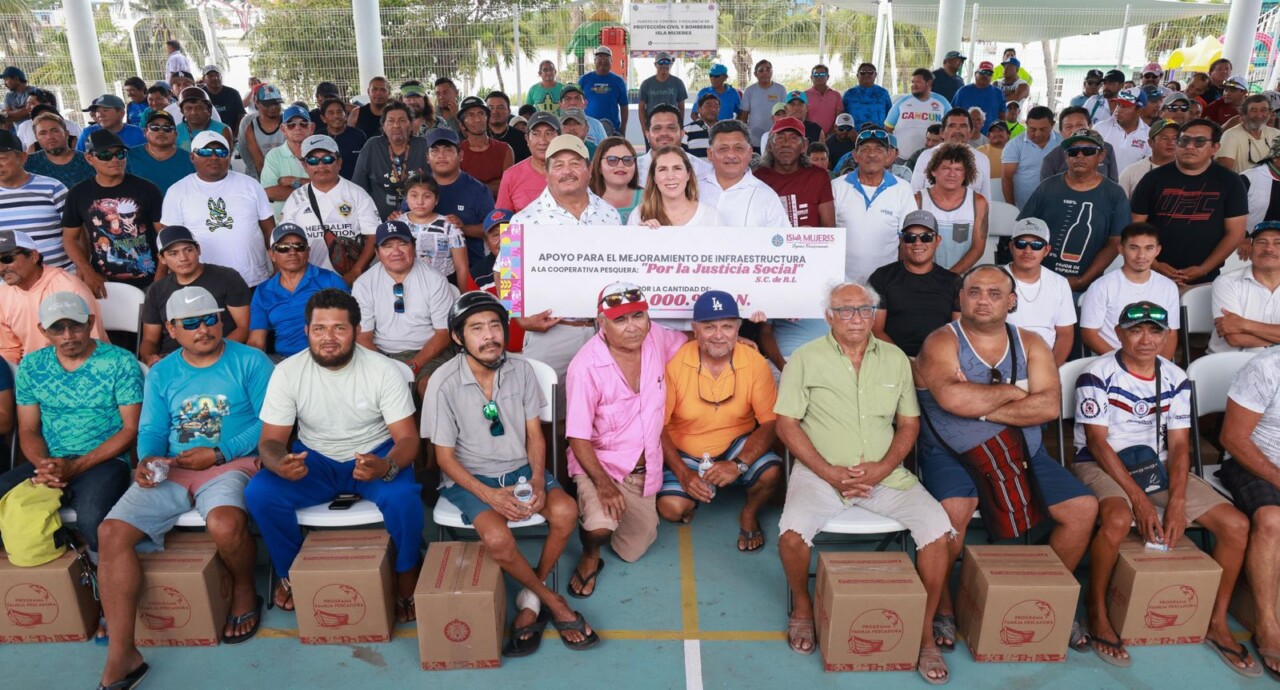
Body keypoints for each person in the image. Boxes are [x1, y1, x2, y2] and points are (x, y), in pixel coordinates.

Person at [915, 265, 1098, 656]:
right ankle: (944, 606)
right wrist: (1016, 392)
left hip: (1023, 452)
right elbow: (951, 400)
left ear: (1011, 301)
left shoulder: (1031, 342)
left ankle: (1047, 595)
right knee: (954, 509)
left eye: (994, 293)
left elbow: (1048, 405)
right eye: (975, 291)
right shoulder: (940, 342)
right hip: (953, 455)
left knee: (1083, 508)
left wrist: (979, 403)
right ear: (961, 298)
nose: (983, 299)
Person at [775, 281, 953, 682]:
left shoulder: (894, 360)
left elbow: (909, 424)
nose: (854, 318)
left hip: (886, 475)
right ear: (828, 317)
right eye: (844, 310)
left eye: (863, 310)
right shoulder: (804, 359)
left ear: (874, 314)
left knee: (939, 532)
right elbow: (786, 425)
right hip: (820, 474)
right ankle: (802, 606)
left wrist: (882, 467)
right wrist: (828, 472)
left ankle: (924, 634)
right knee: (790, 536)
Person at [96, 286, 272, 689]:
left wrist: (221, 452)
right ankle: (123, 652)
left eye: (210, 318)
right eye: (190, 323)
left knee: (225, 524)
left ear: (222, 320)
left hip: (231, 461)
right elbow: (153, 428)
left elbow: (270, 423)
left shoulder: (251, 361)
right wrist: (147, 460)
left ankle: (245, 589)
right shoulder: (162, 371)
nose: (203, 329)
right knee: (111, 532)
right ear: (172, 330)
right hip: (173, 466)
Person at [1073, 301, 1255, 673]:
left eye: (1155, 331)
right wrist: (1139, 500)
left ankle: (1216, 621)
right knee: (1118, 519)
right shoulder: (1097, 374)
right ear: (1120, 333)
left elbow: (1178, 447)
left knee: (1236, 526)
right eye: (1136, 330)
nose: (1146, 339)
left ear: (1167, 335)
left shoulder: (1176, 378)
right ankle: (1096, 608)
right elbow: (1096, 443)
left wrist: (1178, 500)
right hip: (1101, 464)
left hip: (1154, 467)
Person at [426, 291, 598, 655]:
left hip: (521, 470)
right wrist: (490, 496)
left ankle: (530, 597)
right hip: (471, 478)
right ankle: (550, 601)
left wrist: (537, 479)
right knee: (499, 540)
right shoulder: (443, 382)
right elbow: (444, 459)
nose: (489, 335)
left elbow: (535, 435)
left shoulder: (521, 369)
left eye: (494, 326)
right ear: (458, 338)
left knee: (567, 511)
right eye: (476, 328)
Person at [246, 288, 422, 621]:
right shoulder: (287, 371)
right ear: (306, 332)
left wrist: (386, 465)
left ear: (356, 331)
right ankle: (291, 572)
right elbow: (270, 441)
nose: (329, 337)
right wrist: (279, 463)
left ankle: (406, 573)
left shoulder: (383, 370)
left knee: (403, 498)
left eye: (339, 328)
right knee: (261, 492)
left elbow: (409, 440)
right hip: (315, 459)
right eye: (319, 328)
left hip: (375, 453)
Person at [566, 283, 687, 596]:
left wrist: (736, 341)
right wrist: (604, 487)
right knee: (600, 526)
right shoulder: (585, 366)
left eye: (638, 316)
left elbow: (689, 341)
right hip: (601, 465)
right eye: (620, 320)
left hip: (643, 471)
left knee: (635, 548)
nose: (632, 327)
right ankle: (590, 556)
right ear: (602, 323)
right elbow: (578, 437)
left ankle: (612, 511)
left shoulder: (656, 336)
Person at [658, 290, 783, 551]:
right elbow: (657, 428)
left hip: (736, 444)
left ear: (738, 329)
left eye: (727, 326)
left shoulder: (754, 361)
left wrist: (738, 464)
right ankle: (698, 490)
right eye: (709, 326)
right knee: (671, 509)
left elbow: (770, 422)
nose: (718, 334)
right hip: (687, 449)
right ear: (695, 329)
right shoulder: (675, 363)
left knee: (771, 473)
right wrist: (684, 475)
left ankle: (749, 513)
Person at [509, 134, 619, 379]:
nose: (567, 171)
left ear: (589, 170)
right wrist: (520, 318)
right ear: (547, 173)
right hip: (552, 333)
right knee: (545, 411)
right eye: (558, 165)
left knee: (600, 410)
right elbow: (506, 271)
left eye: (575, 163)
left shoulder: (609, 215)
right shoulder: (524, 219)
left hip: (603, 331)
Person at [1219, 348, 1280, 679]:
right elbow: (1233, 439)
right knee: (1273, 518)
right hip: (1255, 464)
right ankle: (1268, 623)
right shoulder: (1266, 368)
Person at [1132, 118, 1248, 286]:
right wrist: (1154, 264)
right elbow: (1134, 226)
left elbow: (1236, 233)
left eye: (1200, 141)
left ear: (1215, 147)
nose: (1190, 146)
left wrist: (1204, 268)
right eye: (1184, 140)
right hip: (1150, 273)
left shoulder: (1231, 181)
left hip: (1206, 277)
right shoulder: (1153, 179)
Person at [1021, 128, 1130, 292]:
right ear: (1066, 156)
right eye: (1073, 152)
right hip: (1040, 282)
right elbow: (1025, 230)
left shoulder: (1115, 193)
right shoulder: (1048, 187)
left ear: (1101, 156)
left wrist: (1082, 280)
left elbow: (1116, 242)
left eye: (1088, 151)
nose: (1080, 156)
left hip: (1086, 288)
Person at [161, 131, 274, 289]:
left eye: (221, 152)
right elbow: (169, 242)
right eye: (205, 152)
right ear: (192, 157)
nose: (214, 157)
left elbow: (270, 232)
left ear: (229, 156)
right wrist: (160, 285)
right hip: (202, 283)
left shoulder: (251, 185)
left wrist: (278, 270)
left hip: (253, 280)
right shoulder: (177, 191)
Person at [352, 220, 454, 395]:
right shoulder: (364, 284)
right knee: (371, 392)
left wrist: (414, 365)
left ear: (413, 247)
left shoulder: (435, 280)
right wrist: (387, 367)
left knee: (430, 388)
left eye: (402, 244)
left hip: (428, 352)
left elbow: (443, 334)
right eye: (388, 246)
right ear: (377, 252)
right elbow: (363, 336)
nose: (396, 252)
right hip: (382, 354)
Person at [61, 130, 163, 295]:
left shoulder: (147, 189)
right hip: (104, 284)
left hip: (149, 280)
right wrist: (88, 272)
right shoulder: (78, 193)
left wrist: (160, 276)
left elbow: (164, 235)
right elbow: (70, 238)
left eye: (120, 154)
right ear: (89, 158)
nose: (115, 159)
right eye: (105, 155)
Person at [139, 225, 249, 365]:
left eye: (188, 250)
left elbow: (244, 328)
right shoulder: (156, 290)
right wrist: (150, 357)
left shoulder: (227, 277)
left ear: (198, 250)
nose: (183, 258)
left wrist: (214, 354)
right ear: (162, 258)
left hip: (222, 356)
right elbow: (149, 340)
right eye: (173, 253)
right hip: (174, 361)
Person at [278, 134, 379, 285]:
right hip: (309, 280)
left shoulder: (357, 194)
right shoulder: (295, 198)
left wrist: (356, 271)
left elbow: (373, 235)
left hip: (349, 279)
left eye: (327, 159)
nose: (321, 166)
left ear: (339, 162)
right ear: (304, 166)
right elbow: (285, 239)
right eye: (312, 161)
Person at [0, 230, 106, 364]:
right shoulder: (3, 294)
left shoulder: (68, 287)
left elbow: (92, 344)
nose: (1, 268)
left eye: (7, 259)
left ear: (33, 256)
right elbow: (9, 350)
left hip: (78, 368)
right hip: (30, 372)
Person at [247, 224, 348, 360]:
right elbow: (257, 341)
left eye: (299, 246)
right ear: (272, 254)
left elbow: (353, 324)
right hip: (282, 361)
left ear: (308, 251)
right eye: (283, 248)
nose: (292, 252)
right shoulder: (263, 291)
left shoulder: (330, 280)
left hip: (327, 356)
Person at [1080, 223, 1180, 358]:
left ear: (1158, 250)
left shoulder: (1168, 287)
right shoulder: (1101, 286)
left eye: (1149, 248)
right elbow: (1089, 334)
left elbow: (1171, 333)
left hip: (1153, 366)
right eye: (1134, 248)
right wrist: (1124, 363)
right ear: (1121, 249)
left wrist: (1160, 366)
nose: (1141, 255)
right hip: (1111, 362)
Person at [867, 210, 959, 357]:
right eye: (910, 237)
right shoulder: (882, 277)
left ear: (938, 240)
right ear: (902, 241)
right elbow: (875, 330)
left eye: (926, 237)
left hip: (939, 360)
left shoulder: (954, 282)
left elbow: (958, 333)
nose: (917, 243)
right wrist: (904, 362)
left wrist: (932, 362)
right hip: (891, 358)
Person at [834, 129, 918, 282]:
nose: (872, 154)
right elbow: (827, 235)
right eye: (865, 149)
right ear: (855, 155)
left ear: (888, 155)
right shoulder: (837, 187)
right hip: (842, 282)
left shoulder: (903, 188)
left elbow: (907, 240)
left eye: (879, 149)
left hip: (886, 283)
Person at [415, 128, 495, 282]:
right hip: (423, 274)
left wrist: (464, 228)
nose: (441, 155)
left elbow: (491, 230)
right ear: (427, 157)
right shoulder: (418, 188)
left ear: (461, 155)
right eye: (435, 150)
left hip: (472, 272)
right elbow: (408, 219)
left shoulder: (478, 190)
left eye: (448, 150)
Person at [1003, 218, 1076, 364]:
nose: (1028, 251)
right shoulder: (993, 278)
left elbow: (1065, 335)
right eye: (1021, 244)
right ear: (1011, 246)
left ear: (1046, 250)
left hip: (1046, 362)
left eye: (1036, 245)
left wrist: (1049, 369)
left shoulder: (1060, 283)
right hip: (1003, 362)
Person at [698, 120, 789, 228]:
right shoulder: (693, 188)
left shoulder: (767, 197)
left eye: (738, 148)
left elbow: (780, 242)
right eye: (723, 149)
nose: (731, 155)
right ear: (710, 154)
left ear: (750, 153)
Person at [1209, 221, 1280, 353]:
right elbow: (1234, 339)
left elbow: (1237, 329)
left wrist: (1244, 324)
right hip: (1230, 363)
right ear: (1250, 249)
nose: (1269, 249)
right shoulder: (1226, 282)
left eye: (1278, 243)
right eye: (1262, 242)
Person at [917, 143, 988, 273]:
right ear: (933, 171)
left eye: (958, 169)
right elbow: (908, 245)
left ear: (966, 174)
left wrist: (949, 277)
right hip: (923, 276)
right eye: (945, 168)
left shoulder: (979, 202)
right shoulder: (918, 200)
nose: (952, 174)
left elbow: (978, 247)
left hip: (961, 278)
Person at [352, 102, 429, 220]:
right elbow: (358, 189)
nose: (396, 125)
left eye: (402, 120)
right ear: (383, 126)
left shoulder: (423, 146)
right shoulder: (372, 146)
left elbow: (435, 186)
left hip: (418, 220)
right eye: (391, 121)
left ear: (411, 124)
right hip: (377, 222)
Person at [755, 118, 835, 228]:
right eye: (780, 138)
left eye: (793, 138)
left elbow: (829, 228)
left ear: (804, 146)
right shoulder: (758, 179)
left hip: (809, 245)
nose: (786, 144)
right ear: (769, 145)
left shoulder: (819, 177)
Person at [400, 173, 468, 292]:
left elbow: (461, 267)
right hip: (407, 286)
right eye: (414, 196)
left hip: (445, 286)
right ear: (406, 198)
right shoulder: (397, 224)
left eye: (426, 196)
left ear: (436, 200)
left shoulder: (450, 225)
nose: (420, 202)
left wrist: (463, 299)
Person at [629, 145, 723, 227]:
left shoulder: (712, 216)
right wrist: (642, 235)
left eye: (677, 168)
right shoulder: (638, 215)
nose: (670, 176)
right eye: (662, 169)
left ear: (688, 174)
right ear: (654, 177)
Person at [911, 108, 991, 200]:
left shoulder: (982, 159)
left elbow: (986, 199)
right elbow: (914, 194)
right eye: (952, 126)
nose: (957, 130)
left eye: (963, 126)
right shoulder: (927, 156)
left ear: (971, 132)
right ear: (942, 133)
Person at [637, 104, 713, 185]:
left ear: (682, 133)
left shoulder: (703, 171)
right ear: (647, 135)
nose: (664, 133)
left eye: (671, 128)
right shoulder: (633, 170)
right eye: (657, 128)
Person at [1040, 106, 1121, 182]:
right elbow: (1047, 192)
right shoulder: (1051, 159)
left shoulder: (1106, 148)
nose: (1075, 130)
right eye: (1068, 126)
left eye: (1080, 125)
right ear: (1061, 132)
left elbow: (1113, 183)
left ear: (1090, 126)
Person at [885, 68, 951, 160]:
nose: (913, 85)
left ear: (929, 83)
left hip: (933, 159)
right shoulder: (901, 102)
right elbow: (888, 128)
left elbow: (951, 128)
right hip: (901, 158)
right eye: (912, 82)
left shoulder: (942, 102)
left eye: (918, 82)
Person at [125, 110, 194, 196]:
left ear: (176, 134)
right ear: (145, 132)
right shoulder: (128, 156)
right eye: (155, 127)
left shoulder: (190, 160)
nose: (161, 131)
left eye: (167, 128)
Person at [1001, 106, 1059, 208]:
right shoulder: (1014, 145)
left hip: (1056, 205)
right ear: (1026, 124)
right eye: (1032, 129)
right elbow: (1007, 178)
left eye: (1043, 129)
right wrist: (1011, 208)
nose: (1037, 134)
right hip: (1024, 207)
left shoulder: (1062, 142)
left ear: (1052, 124)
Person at [456, 96, 512, 199]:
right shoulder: (456, 152)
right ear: (462, 124)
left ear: (487, 118)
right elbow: (458, 188)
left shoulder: (505, 149)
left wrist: (473, 186)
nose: (477, 119)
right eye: (471, 115)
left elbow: (507, 186)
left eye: (481, 114)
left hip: (498, 210)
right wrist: (492, 185)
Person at [24, 113, 94, 189]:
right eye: (43, 133)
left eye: (55, 131)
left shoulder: (89, 161)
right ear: (37, 138)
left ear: (66, 134)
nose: (49, 137)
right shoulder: (27, 164)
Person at [1218, 94, 1280, 174]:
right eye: (1253, 110)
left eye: (1263, 110)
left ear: (1269, 113)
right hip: (1242, 185)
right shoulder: (1230, 135)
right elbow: (1224, 173)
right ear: (1243, 114)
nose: (1259, 115)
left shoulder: (1276, 133)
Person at [236, 84, 285, 181]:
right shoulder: (249, 126)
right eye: (268, 104)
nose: (273, 107)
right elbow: (256, 162)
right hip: (259, 176)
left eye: (276, 103)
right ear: (257, 103)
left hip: (286, 175)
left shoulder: (288, 122)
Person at [1096, 88, 1151, 173]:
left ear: (1139, 111)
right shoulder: (1100, 129)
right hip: (1103, 185)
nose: (1118, 110)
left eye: (1125, 106)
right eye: (1118, 104)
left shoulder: (1148, 135)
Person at [1119, 118, 1178, 197]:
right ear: (1151, 143)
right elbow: (1119, 206)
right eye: (1165, 138)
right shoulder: (1131, 172)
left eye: (1175, 138)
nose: (1171, 143)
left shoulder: (1189, 171)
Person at [589, 136, 641, 222]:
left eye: (627, 160)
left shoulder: (650, 198)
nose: (621, 165)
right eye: (612, 160)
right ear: (599, 167)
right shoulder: (586, 200)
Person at [741, 59, 791, 148]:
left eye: (768, 69)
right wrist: (744, 138)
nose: (765, 73)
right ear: (755, 74)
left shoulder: (781, 89)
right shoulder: (749, 91)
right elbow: (744, 116)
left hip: (776, 138)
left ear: (772, 72)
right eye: (761, 70)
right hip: (754, 140)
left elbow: (786, 113)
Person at [579, 46, 628, 134]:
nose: (603, 60)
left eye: (606, 57)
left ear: (611, 61)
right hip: (589, 129)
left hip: (612, 129)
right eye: (599, 57)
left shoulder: (618, 81)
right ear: (594, 61)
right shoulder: (584, 80)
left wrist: (623, 128)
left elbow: (624, 106)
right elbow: (576, 102)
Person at [315, 97, 366, 180]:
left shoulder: (358, 135)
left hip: (355, 186)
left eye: (339, 112)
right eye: (331, 113)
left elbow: (366, 163)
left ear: (345, 115)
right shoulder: (318, 137)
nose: (336, 116)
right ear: (323, 118)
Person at [637, 52, 687, 132]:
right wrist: (644, 128)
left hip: (672, 125)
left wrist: (680, 125)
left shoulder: (678, 83)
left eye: (667, 62)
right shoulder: (646, 84)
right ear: (655, 64)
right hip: (653, 125)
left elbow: (681, 107)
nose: (664, 65)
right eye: (661, 62)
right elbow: (641, 109)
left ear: (670, 64)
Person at [77, 95, 146, 154]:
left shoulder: (138, 133)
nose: (100, 115)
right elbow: (79, 160)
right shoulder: (87, 134)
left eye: (105, 110)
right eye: (97, 111)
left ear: (121, 113)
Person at [951, 62, 1005, 136]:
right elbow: (953, 113)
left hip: (989, 137)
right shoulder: (963, 91)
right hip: (965, 136)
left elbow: (1002, 116)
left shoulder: (998, 93)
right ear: (975, 74)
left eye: (989, 73)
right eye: (983, 72)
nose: (986, 75)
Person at [175, 87, 233, 153]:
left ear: (209, 110)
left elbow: (225, 158)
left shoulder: (223, 130)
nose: (193, 112)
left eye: (199, 108)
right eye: (189, 108)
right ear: (182, 111)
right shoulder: (175, 131)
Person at [840, 62, 892, 132]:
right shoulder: (849, 94)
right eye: (863, 72)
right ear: (857, 75)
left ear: (875, 75)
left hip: (879, 135)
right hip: (855, 137)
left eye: (870, 72)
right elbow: (844, 116)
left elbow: (890, 115)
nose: (866, 75)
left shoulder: (883, 93)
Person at [1245, 136, 1280, 232]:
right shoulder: (1248, 178)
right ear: (1275, 158)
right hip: (1249, 240)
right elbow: (1230, 214)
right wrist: (1244, 236)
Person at [486, 91, 530, 163]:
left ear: (509, 111)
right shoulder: (479, 138)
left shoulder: (522, 139)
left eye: (500, 107)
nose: (495, 112)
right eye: (491, 108)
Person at [201, 65, 245, 134]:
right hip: (208, 137)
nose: (215, 78)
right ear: (204, 79)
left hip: (232, 135)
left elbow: (241, 116)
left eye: (217, 75)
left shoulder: (233, 93)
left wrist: (235, 135)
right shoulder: (200, 94)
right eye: (210, 76)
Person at [804, 63, 843, 134]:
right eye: (815, 75)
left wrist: (830, 134)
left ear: (827, 77)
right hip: (810, 134)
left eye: (822, 74)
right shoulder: (805, 95)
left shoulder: (836, 95)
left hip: (831, 135)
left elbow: (838, 118)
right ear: (811, 78)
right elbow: (804, 117)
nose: (819, 77)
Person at [977, 121, 1008, 186]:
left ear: (1008, 134)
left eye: (1000, 130)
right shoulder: (978, 152)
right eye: (994, 131)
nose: (997, 133)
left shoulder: (1016, 152)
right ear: (988, 135)